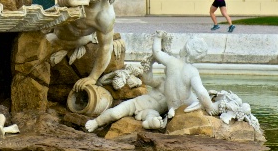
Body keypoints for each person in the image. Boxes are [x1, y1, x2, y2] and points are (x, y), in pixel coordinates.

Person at [86, 31, 216, 132]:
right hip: (136, 104)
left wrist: (158, 37)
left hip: (151, 112)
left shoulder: (172, 67)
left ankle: (151, 123)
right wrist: (210, 107)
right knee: (115, 113)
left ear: (185, 50)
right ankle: (97, 122)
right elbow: (148, 80)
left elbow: (157, 51)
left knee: (153, 117)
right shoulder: (167, 81)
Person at [35, 0, 119, 93]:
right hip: (50, 23)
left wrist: (93, 77)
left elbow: (106, 47)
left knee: (40, 48)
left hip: (65, 39)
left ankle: (88, 39)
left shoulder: (104, 16)